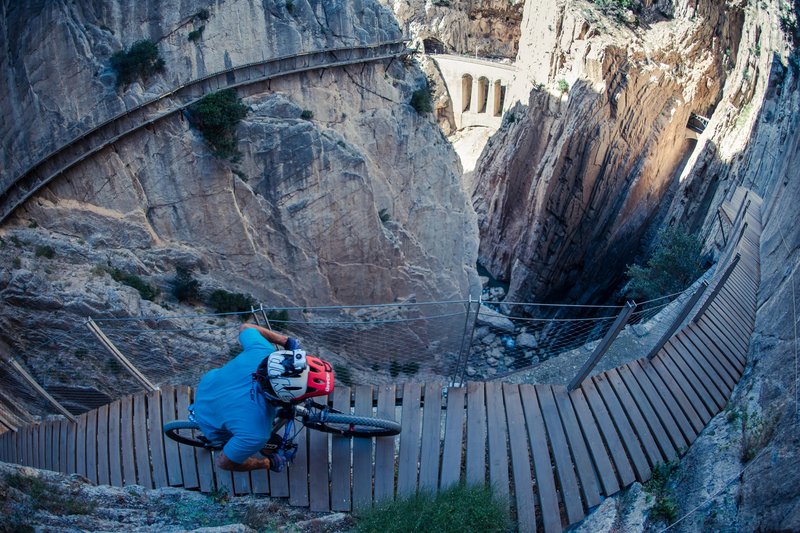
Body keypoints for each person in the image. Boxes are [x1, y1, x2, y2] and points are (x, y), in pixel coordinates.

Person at [190, 322, 333, 472]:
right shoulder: (256, 432)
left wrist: (285, 341)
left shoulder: (262, 351)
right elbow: (223, 463)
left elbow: (246, 327)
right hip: (209, 421)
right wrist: (266, 463)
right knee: (260, 442)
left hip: (208, 385)